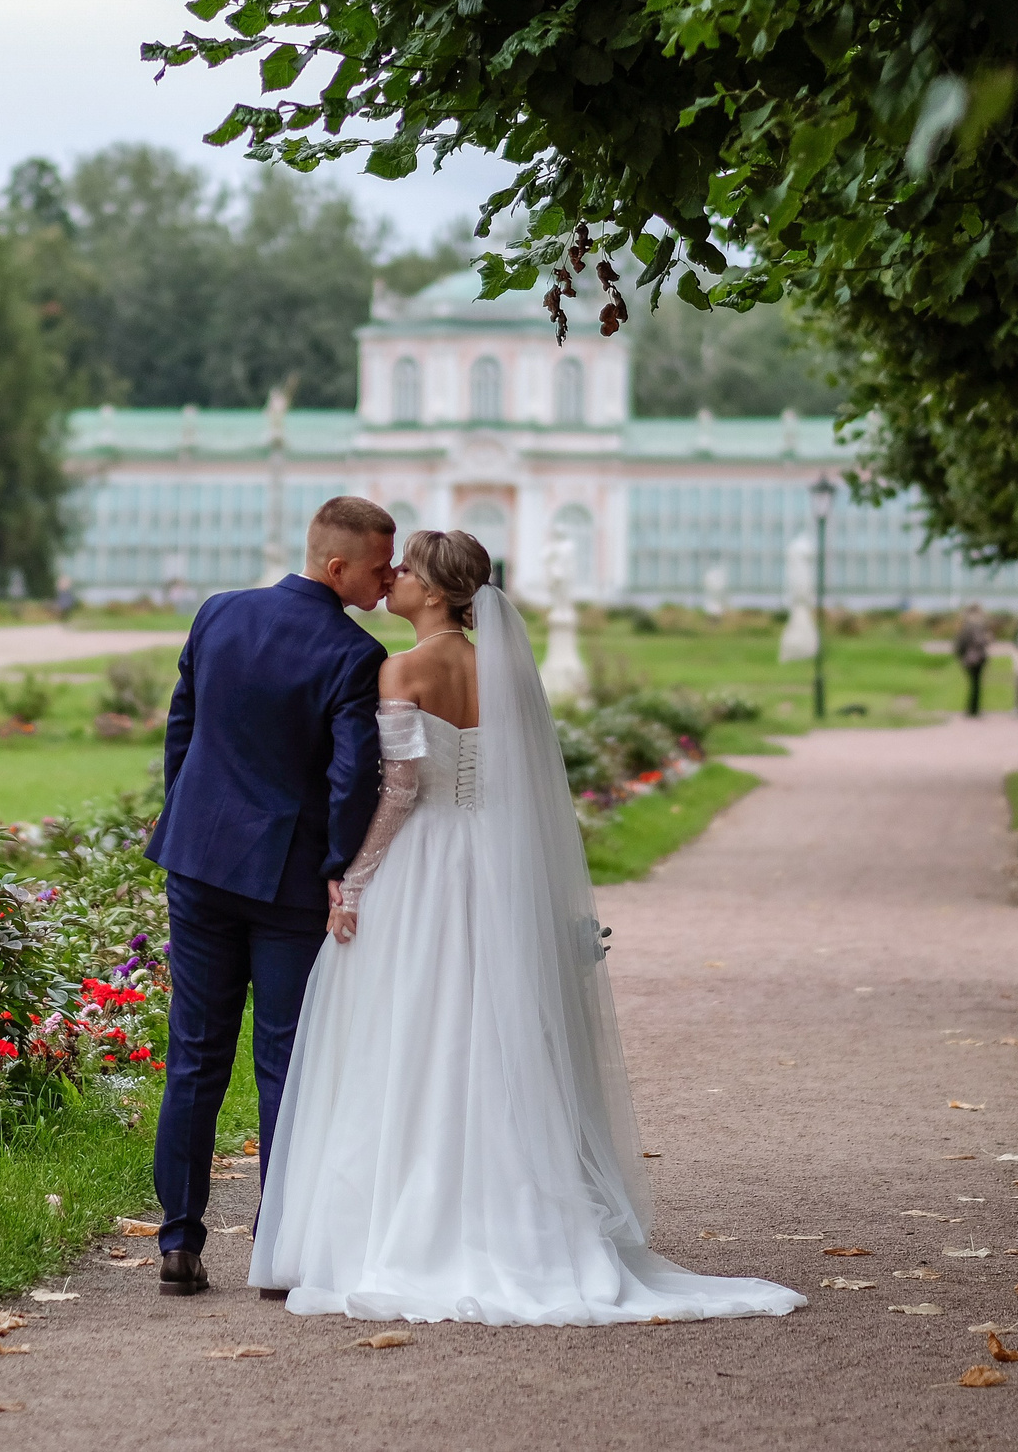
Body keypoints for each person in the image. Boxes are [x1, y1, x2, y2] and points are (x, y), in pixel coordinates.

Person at [251, 528, 805, 1325]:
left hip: (423, 863)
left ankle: (410, 1215)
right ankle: (511, 1201)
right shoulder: (502, 668)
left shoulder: (401, 668)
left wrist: (355, 880)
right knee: (492, 1027)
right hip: (492, 865)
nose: (394, 576)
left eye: (406, 569)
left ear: (435, 592)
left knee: (412, 1028)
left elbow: (402, 790)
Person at [146, 496, 396, 1298]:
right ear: (337, 567)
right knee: (284, 1061)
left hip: (199, 862)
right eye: (379, 565)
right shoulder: (356, 654)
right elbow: (353, 776)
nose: (389, 578)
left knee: (194, 1054)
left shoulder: (218, 614)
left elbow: (180, 732)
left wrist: (189, 821)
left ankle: (178, 1243)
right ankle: (276, 1243)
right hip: (288, 880)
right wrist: (337, 864)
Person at [954, 603, 993, 717]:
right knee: (976, 684)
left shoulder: (967, 627)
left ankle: (972, 709)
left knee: (974, 684)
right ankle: (973, 709)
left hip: (970, 658)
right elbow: (983, 641)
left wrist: (961, 657)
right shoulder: (977, 627)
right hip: (976, 658)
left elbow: (959, 645)